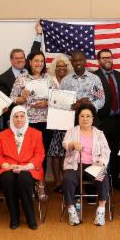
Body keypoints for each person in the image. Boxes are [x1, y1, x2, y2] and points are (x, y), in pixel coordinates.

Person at [10, 51, 57, 200]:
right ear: (29, 62)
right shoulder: (22, 78)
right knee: (28, 155)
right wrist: (21, 98)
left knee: (41, 155)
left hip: (45, 123)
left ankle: (41, 185)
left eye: (42, 61)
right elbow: (12, 98)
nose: (39, 64)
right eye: (36, 61)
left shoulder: (49, 79)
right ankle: (29, 185)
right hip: (27, 123)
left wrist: (47, 102)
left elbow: (57, 99)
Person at [0, 106, 44, 230]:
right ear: (12, 118)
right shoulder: (3, 134)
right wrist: (7, 165)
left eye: (22, 116)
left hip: (28, 168)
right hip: (8, 167)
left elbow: (39, 155)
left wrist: (25, 167)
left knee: (24, 179)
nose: (19, 119)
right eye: (16, 116)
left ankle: (30, 217)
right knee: (7, 179)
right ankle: (14, 217)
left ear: (26, 118)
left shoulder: (36, 134)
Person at [62, 104, 112, 226]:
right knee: (68, 179)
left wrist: (102, 161)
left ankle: (101, 211)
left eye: (88, 116)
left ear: (93, 118)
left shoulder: (99, 133)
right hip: (75, 164)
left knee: (103, 178)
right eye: (82, 116)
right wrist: (72, 144)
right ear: (78, 118)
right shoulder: (72, 131)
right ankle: (71, 210)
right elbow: (65, 144)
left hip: (94, 165)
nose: (85, 119)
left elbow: (106, 150)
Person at [93, 49, 120, 190]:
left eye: (109, 57)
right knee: (101, 152)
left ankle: (114, 179)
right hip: (102, 120)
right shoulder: (94, 77)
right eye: (104, 58)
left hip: (119, 120)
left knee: (116, 151)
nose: (107, 60)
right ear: (98, 60)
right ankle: (102, 181)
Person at [49, 55, 71, 192]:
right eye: (59, 66)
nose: (62, 68)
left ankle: (66, 181)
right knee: (55, 153)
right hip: (53, 121)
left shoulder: (70, 80)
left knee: (66, 152)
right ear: (54, 68)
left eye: (64, 66)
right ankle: (57, 182)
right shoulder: (50, 81)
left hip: (68, 121)